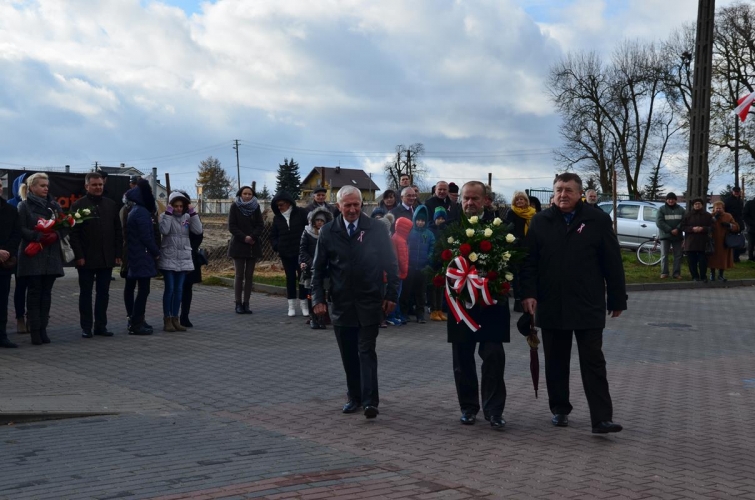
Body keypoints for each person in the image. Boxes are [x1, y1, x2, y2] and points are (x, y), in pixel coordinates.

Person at [521, 172, 626, 434]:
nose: (563, 194)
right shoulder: (540, 221)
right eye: (558, 190)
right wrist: (528, 294)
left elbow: (612, 261)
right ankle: (560, 409)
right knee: (556, 361)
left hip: (587, 302)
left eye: (568, 190)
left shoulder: (597, 220)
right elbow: (529, 261)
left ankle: (601, 418)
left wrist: (617, 298)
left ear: (580, 194)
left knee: (593, 362)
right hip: (551, 302)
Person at [311, 185, 399, 419]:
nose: (352, 209)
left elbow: (391, 265)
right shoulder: (328, 231)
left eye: (356, 205)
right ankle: (354, 397)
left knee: (366, 351)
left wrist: (391, 295)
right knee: (349, 354)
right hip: (342, 303)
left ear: (362, 205)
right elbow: (318, 269)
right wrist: (318, 298)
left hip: (370, 301)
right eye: (347, 205)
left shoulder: (376, 229)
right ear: (338, 206)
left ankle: (370, 401)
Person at [447, 181, 509, 429]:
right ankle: (468, 407)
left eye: (475, 198)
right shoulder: (450, 227)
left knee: (494, 355)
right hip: (461, 304)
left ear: (485, 200)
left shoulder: (500, 227)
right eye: (466, 198)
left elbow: (510, 262)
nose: (470, 203)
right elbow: (439, 261)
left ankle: (494, 411)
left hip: (491, 303)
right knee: (462, 358)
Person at [16, 173, 70, 346]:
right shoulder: (24, 205)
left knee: (46, 294)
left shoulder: (54, 206)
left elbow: (65, 225)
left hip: (51, 255)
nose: (46, 188)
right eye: (42, 185)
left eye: (47, 185)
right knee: (34, 293)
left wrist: (56, 234)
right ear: (32, 187)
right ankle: (35, 331)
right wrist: (38, 236)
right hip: (32, 255)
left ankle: (43, 329)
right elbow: (20, 228)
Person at [69, 172, 122, 338]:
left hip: (106, 258)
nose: (98, 187)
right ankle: (86, 327)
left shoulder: (111, 204)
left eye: (100, 184)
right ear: (87, 186)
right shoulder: (78, 205)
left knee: (103, 294)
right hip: (86, 258)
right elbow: (74, 233)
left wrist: (118, 253)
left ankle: (101, 326)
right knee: (86, 294)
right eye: (94, 185)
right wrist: (79, 255)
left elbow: (118, 231)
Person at [158, 191, 202, 332]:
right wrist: (168, 213)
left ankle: (175, 319)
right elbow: (164, 230)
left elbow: (198, 230)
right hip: (169, 257)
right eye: (175, 206)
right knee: (170, 289)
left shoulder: (187, 218)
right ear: (171, 205)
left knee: (179, 290)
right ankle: (167, 319)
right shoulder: (164, 216)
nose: (178, 208)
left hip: (183, 258)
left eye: (181, 206)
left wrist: (193, 213)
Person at [124, 179, 161, 335]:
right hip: (142, 256)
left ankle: (136, 320)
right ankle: (136, 323)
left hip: (136, 255)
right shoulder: (142, 212)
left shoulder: (135, 210)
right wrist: (156, 252)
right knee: (143, 290)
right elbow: (146, 237)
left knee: (139, 289)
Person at [271, 191, 309, 317]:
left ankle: (304, 305)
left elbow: (309, 229)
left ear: (288, 203)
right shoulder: (277, 218)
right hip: (286, 254)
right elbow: (273, 236)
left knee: (303, 279)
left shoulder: (301, 213)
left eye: (281, 204)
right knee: (290, 279)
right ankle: (291, 306)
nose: (279, 207)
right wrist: (277, 246)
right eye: (277, 205)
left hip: (301, 254)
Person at [228, 186, 264, 314]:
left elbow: (260, 225)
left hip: (252, 246)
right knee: (239, 275)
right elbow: (232, 226)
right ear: (240, 194)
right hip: (238, 245)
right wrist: (244, 237)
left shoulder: (256, 207)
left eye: (250, 194)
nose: (247, 196)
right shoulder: (235, 206)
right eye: (245, 193)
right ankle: (238, 303)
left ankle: (246, 303)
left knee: (249, 276)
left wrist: (253, 236)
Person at [299, 207, 334, 329]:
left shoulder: (327, 234)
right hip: (310, 268)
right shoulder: (307, 232)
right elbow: (302, 250)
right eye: (317, 220)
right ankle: (312, 317)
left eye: (322, 221)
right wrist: (312, 263)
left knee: (323, 293)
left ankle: (322, 317)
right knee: (310, 293)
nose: (319, 222)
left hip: (324, 268)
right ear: (313, 221)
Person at [175, 190, 204, 328]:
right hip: (174, 256)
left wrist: (189, 248)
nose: (180, 207)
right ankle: (172, 316)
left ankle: (184, 316)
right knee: (175, 288)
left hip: (190, 255)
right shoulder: (169, 216)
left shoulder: (192, 216)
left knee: (187, 287)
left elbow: (199, 234)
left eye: (183, 204)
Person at [505, 191, 536, 313]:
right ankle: (518, 300)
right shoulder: (511, 212)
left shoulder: (532, 213)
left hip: (529, 246)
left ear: (526, 200)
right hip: (516, 246)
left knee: (527, 273)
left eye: (521, 199)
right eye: (517, 199)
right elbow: (509, 228)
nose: (519, 201)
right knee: (516, 274)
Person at [0, 178, 21, 348]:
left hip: (3, 264)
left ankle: (2, 335)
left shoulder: (10, 210)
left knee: (2, 301)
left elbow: (16, 233)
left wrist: (7, 252)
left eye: (0, 185)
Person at [405, 205, 435, 324]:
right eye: (418, 220)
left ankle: (420, 315)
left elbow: (432, 248)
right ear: (414, 219)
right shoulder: (409, 232)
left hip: (423, 268)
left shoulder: (429, 234)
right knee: (407, 291)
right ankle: (405, 313)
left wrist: (428, 260)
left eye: (422, 220)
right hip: (410, 266)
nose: (420, 222)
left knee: (421, 293)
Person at [8, 173, 28, 334]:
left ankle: (34, 317)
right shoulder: (11, 204)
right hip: (15, 252)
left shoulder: (39, 203)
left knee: (33, 287)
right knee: (19, 287)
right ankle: (20, 317)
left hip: (34, 251)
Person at [386, 217, 412, 326]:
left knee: (397, 295)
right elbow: (402, 259)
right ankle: (391, 316)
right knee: (396, 295)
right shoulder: (401, 240)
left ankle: (397, 314)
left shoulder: (395, 237)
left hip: (396, 272)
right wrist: (405, 271)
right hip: (399, 272)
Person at [681, 198, 713, 282]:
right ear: (693, 205)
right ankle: (694, 276)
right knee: (692, 261)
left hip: (703, 242)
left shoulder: (707, 215)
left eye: (699, 204)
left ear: (702, 205)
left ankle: (703, 276)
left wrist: (703, 228)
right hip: (691, 242)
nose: (697, 205)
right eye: (695, 204)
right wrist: (692, 229)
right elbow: (682, 227)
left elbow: (712, 227)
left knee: (703, 261)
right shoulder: (688, 215)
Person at [655, 192, 685, 280]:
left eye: (672, 199)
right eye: (669, 199)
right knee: (664, 255)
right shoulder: (661, 209)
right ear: (666, 200)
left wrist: (677, 229)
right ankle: (664, 273)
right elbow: (659, 222)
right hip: (665, 236)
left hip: (677, 236)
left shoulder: (681, 210)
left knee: (678, 255)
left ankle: (676, 273)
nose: (670, 201)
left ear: (675, 200)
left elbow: (684, 221)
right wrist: (670, 230)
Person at [708, 201, 739, 282]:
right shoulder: (711, 216)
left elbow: (736, 227)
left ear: (723, 208)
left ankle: (721, 275)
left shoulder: (728, 216)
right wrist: (714, 219)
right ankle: (712, 274)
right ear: (714, 209)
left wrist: (729, 225)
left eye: (720, 208)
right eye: (717, 208)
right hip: (713, 241)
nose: (718, 210)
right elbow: (707, 225)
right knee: (712, 258)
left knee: (723, 258)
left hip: (724, 241)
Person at [429, 207, 448, 322]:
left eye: (442, 218)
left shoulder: (446, 230)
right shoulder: (430, 230)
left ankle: (440, 310)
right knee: (432, 287)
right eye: (438, 218)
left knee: (441, 287)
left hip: (442, 262)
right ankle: (433, 310)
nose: (440, 220)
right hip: (433, 262)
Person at [724, 186, 745, 262]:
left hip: (738, 222)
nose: (736, 193)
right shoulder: (728, 200)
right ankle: (731, 257)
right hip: (730, 222)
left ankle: (736, 257)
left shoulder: (740, 201)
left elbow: (741, 212)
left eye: (738, 192)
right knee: (730, 240)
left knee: (738, 240)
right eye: (735, 192)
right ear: (732, 192)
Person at [743, 195, 755, 261]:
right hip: (751, 227)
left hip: (751, 226)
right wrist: (750, 223)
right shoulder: (749, 203)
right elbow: (744, 215)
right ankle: (751, 257)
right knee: (751, 244)